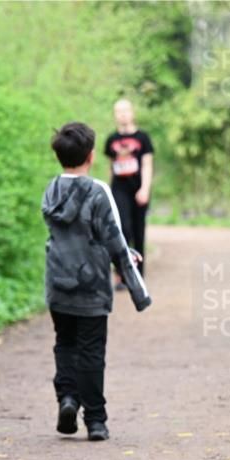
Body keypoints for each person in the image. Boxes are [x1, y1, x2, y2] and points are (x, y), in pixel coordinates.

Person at [42, 122, 152, 442]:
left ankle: (67, 399)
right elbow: (113, 239)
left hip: (58, 282)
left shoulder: (51, 190)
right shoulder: (98, 190)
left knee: (65, 343)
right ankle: (96, 420)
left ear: (59, 157)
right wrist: (138, 291)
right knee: (91, 352)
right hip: (91, 286)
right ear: (91, 156)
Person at [104, 99, 154, 283]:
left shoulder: (143, 138)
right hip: (119, 189)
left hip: (139, 189)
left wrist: (145, 189)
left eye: (125, 110)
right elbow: (111, 167)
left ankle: (138, 275)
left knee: (138, 231)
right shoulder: (111, 140)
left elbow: (148, 165)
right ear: (115, 114)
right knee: (122, 229)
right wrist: (108, 192)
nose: (122, 114)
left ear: (132, 112)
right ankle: (122, 274)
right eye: (118, 111)